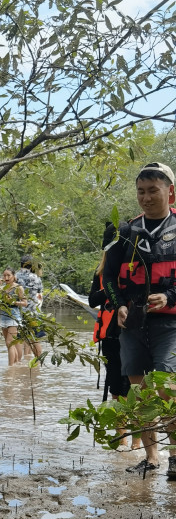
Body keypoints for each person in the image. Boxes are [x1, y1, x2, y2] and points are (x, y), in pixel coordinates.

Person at [103, 161, 176, 479]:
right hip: (131, 323)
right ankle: (152, 458)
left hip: (170, 324)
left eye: (153, 191)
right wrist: (118, 305)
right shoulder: (125, 232)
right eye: (141, 192)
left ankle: (175, 458)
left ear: (170, 192)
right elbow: (107, 278)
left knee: (167, 389)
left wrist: (169, 297)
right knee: (141, 391)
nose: (146, 197)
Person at [88, 252, 140, 451]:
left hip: (134, 332)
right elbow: (92, 299)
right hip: (110, 336)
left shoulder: (136, 269)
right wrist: (111, 288)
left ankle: (137, 443)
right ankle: (122, 440)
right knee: (117, 389)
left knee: (136, 388)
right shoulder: (100, 272)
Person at [0, 268, 27, 365]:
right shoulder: (3, 288)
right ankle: (16, 363)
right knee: (9, 343)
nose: (6, 277)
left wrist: (14, 302)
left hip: (14, 317)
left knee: (10, 343)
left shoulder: (18, 288)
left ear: (14, 276)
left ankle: (11, 367)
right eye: (4, 275)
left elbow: (25, 303)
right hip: (4, 316)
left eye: (8, 275)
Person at [16, 256, 44, 359]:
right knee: (35, 339)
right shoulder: (36, 278)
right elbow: (40, 296)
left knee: (19, 340)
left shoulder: (15, 276)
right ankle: (38, 362)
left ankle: (18, 364)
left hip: (19, 312)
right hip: (34, 312)